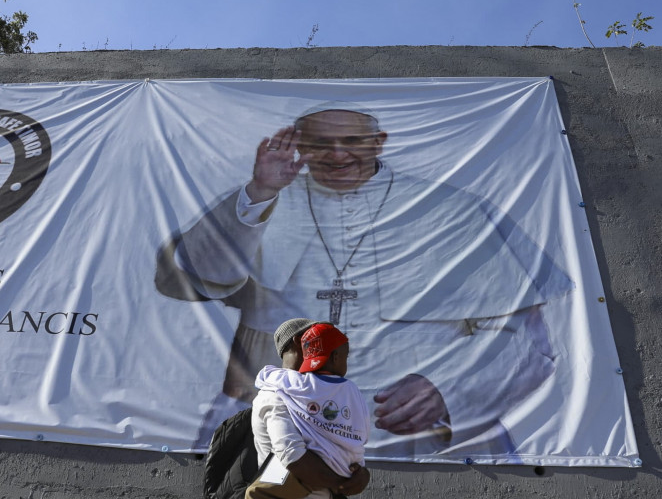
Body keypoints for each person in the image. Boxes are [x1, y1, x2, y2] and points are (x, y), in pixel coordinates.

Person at [156, 103, 574, 457]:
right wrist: (261, 191)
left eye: (353, 142)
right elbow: (202, 275)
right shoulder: (262, 198)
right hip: (276, 428)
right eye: (320, 144)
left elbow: (527, 339)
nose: (338, 156)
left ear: (379, 142)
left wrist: (448, 389)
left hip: (412, 436)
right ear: (300, 147)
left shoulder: (451, 210)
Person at [203, 318, 369, 499]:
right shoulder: (275, 394)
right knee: (255, 496)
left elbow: (343, 442)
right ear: (300, 341)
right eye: (312, 338)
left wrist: (359, 474)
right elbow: (293, 455)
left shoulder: (320, 393)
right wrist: (340, 480)